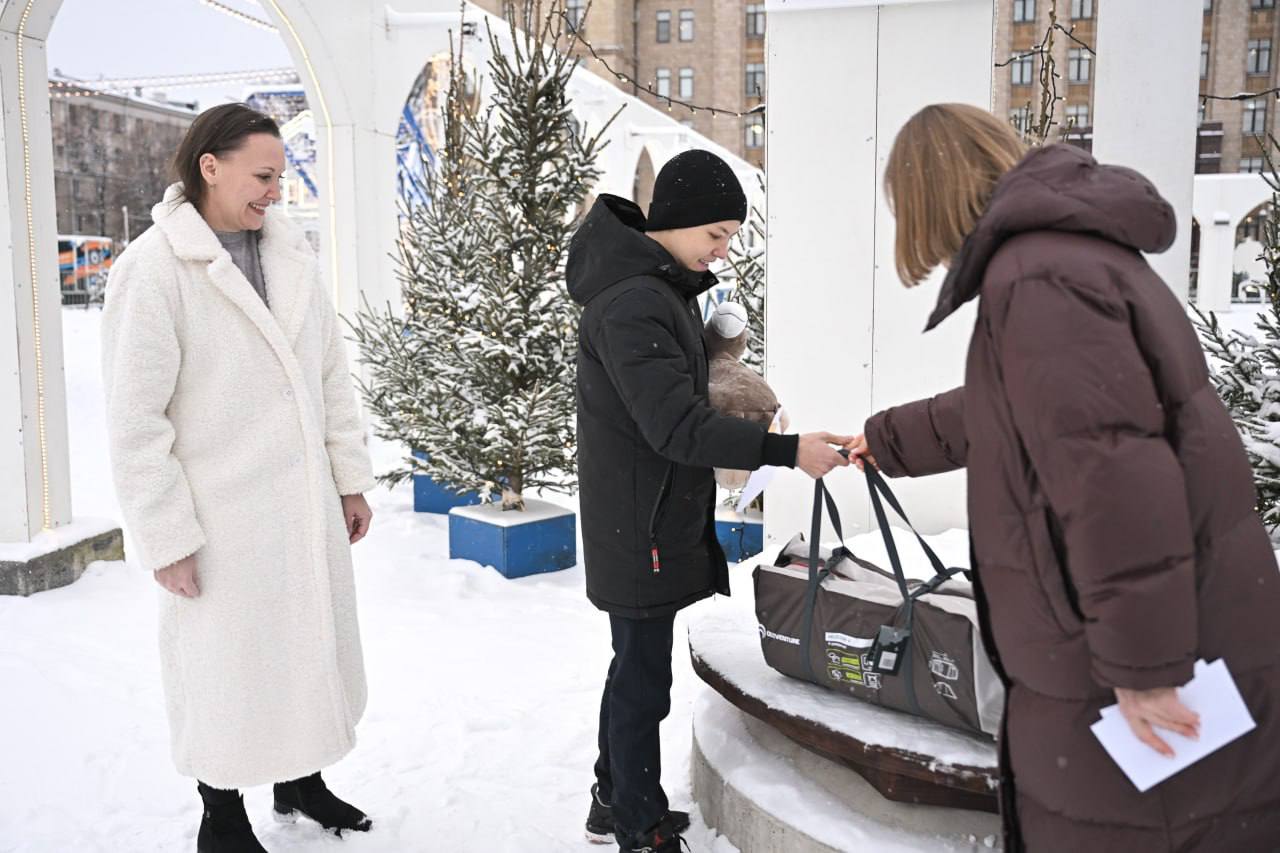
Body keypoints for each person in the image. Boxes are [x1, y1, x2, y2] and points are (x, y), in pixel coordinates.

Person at [845, 103, 1280, 851]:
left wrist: (1147, 668)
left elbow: (1115, 483)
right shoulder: (1066, 259)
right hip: (1164, 635)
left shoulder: (1038, 279)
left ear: (928, 199)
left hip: (1136, 668)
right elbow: (1028, 408)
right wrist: (889, 439)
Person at [102, 103, 377, 853]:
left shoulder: (289, 255)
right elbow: (135, 424)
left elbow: (329, 375)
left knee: (305, 648)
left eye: (279, 177)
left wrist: (348, 479)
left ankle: (301, 779)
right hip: (220, 519)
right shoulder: (153, 271)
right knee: (226, 669)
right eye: (263, 176)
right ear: (210, 167)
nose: (275, 192)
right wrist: (167, 539)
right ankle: (221, 815)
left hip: (303, 505)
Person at [567, 149, 853, 852]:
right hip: (637, 523)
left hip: (643, 513)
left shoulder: (656, 289)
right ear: (677, 220)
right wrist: (787, 451)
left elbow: (674, 399)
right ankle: (638, 825)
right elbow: (676, 426)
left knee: (633, 669)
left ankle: (613, 798)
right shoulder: (635, 301)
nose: (723, 250)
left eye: (730, 236)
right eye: (716, 234)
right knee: (642, 681)